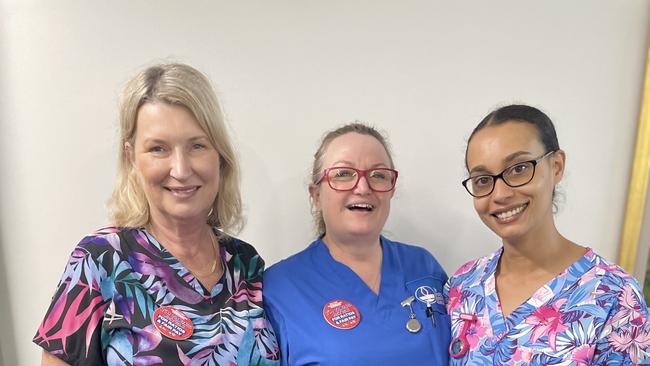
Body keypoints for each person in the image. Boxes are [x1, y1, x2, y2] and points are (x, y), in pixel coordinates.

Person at [33, 63, 280, 365]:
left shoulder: (246, 263)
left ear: (220, 154)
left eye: (197, 145)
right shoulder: (99, 261)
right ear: (131, 157)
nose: (181, 169)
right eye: (158, 149)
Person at [446, 104, 650, 365]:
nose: (500, 194)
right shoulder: (464, 286)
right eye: (483, 179)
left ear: (556, 166)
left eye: (518, 168)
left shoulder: (615, 299)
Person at [263, 123, 450, 365]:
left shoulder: (423, 266)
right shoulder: (279, 288)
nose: (363, 188)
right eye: (343, 174)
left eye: (378, 175)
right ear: (316, 195)